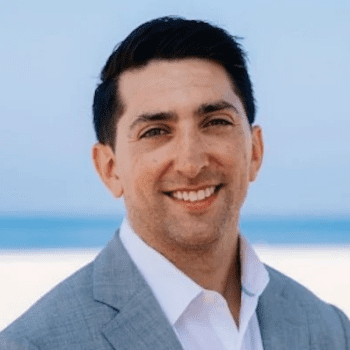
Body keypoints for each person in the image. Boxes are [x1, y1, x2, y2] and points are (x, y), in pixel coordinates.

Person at [1, 16, 349, 350]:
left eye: (215, 122)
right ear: (110, 169)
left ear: (255, 150)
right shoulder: (34, 344)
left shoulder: (329, 331)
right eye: (155, 131)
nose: (191, 163)